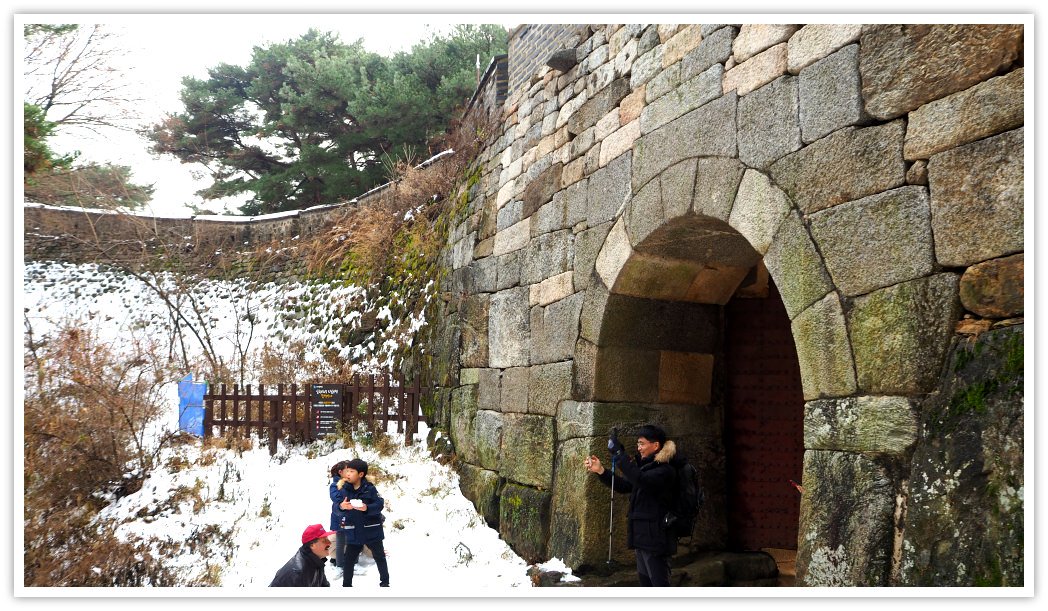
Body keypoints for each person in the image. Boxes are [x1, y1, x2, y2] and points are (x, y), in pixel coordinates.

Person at [584, 424, 678, 587]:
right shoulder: (645, 468)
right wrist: (601, 471)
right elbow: (625, 485)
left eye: (642, 443)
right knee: (645, 585)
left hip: (656, 540)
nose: (638, 447)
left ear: (655, 445)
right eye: (637, 444)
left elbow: (640, 479)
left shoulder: (665, 470)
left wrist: (619, 454)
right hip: (642, 538)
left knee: (660, 587)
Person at [330, 457, 389, 587]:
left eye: (351, 471)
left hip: (372, 530)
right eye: (347, 471)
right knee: (349, 560)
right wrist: (341, 507)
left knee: (380, 557)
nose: (348, 474)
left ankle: (385, 583)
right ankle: (347, 586)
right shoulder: (343, 489)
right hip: (353, 531)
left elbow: (379, 505)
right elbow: (336, 507)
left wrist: (367, 508)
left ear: (360, 474)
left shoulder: (370, 488)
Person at [269, 524, 336, 587]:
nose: (329, 543)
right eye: (324, 540)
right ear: (312, 545)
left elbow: (324, 585)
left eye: (327, 539)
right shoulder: (299, 574)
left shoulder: (316, 561)